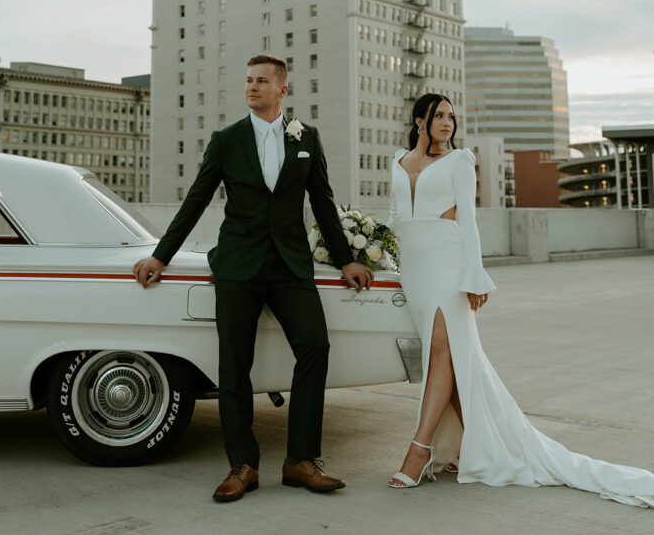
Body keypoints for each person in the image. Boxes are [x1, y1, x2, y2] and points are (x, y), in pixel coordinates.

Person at [386, 92, 654, 507]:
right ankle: (470, 444)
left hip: (446, 265)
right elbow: (394, 217)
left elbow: (470, 222)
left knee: (443, 354)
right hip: (414, 272)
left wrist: (474, 274)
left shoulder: (460, 161)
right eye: (439, 116)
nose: (447, 123)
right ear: (419, 119)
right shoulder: (398, 161)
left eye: (451, 117)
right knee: (452, 360)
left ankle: (419, 450)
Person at [133, 54, 373, 503]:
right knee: (234, 363)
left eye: (261, 81)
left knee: (315, 346)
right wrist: (161, 255)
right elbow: (197, 199)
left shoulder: (306, 138)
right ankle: (243, 465)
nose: (252, 87)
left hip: (289, 266)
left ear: (283, 89)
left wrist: (345, 260)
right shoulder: (226, 140)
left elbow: (322, 202)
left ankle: (300, 460)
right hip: (239, 265)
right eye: (248, 81)